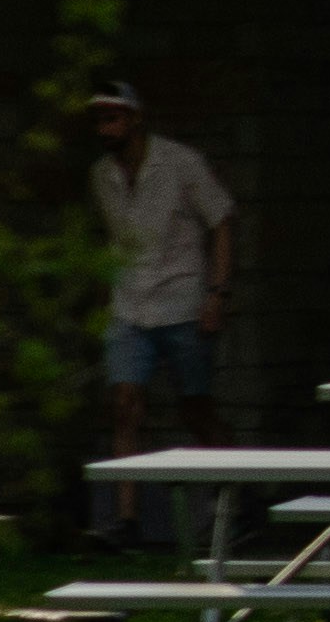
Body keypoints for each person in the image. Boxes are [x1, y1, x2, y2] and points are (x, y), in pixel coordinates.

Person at [78, 80, 240, 523]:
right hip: (129, 304)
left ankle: (233, 501)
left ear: (134, 118)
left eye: (112, 118)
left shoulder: (181, 163)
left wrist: (216, 293)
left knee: (196, 409)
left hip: (182, 300)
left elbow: (221, 219)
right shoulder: (102, 175)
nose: (104, 128)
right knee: (124, 405)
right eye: (98, 120)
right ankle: (124, 520)